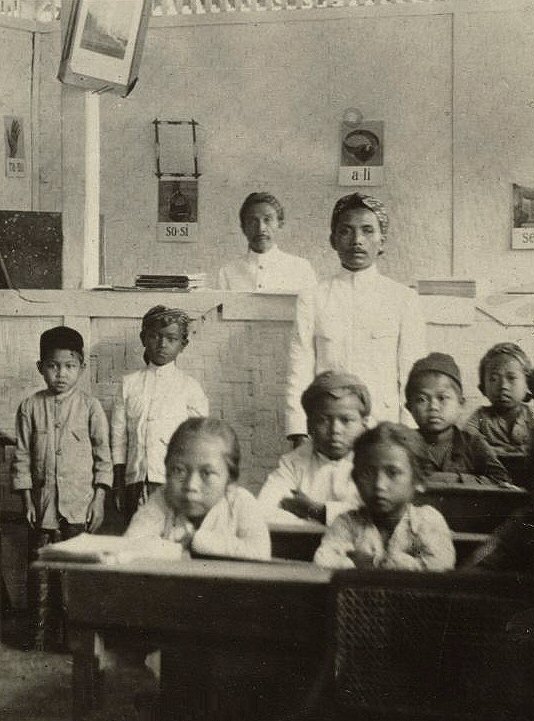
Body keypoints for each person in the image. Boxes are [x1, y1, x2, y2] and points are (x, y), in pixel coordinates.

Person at [285, 192, 426, 446]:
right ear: (333, 240)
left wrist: (408, 433)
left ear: (382, 241)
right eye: (346, 231)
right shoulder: (313, 298)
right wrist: (299, 431)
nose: (357, 240)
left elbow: (412, 375)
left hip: (384, 428)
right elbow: (300, 367)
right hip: (329, 427)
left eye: (367, 231)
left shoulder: (403, 299)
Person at [12, 326, 112, 648]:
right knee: (40, 574)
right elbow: (22, 457)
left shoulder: (90, 407)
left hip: (78, 508)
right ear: (40, 367)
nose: (61, 374)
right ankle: (39, 640)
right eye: (53, 366)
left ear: (82, 367)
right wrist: (27, 500)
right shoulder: (29, 407)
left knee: (74, 577)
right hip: (42, 508)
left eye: (69, 366)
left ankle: (74, 643)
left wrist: (99, 500)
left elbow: (104, 458)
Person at [111, 306, 209, 525]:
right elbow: (119, 439)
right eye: (155, 336)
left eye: (171, 339)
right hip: (135, 481)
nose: (162, 344)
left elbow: (200, 442)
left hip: (174, 482)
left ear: (183, 344)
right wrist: (118, 483)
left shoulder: (190, 388)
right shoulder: (129, 384)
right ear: (143, 338)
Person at [126, 417, 271, 561]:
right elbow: (130, 543)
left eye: (206, 473)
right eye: (179, 470)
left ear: (230, 480)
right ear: (167, 469)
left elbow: (260, 551)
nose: (191, 485)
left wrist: (195, 540)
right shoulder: (162, 500)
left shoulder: (240, 502)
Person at [314, 422, 455, 570]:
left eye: (393, 473)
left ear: (417, 480)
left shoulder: (426, 521)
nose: (379, 485)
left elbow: (441, 564)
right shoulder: (348, 522)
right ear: (355, 479)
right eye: (368, 473)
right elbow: (323, 559)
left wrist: (375, 562)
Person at [258, 371, 369, 525]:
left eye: (346, 420)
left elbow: (376, 514)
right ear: (309, 425)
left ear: (364, 424)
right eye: (323, 420)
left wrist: (316, 511)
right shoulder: (294, 463)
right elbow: (264, 510)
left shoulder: (373, 462)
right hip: (306, 539)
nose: (335, 430)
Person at [405, 352, 512, 486]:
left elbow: (502, 481)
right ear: (409, 407)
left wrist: (451, 479)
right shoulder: (404, 445)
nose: (433, 407)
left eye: (442, 398)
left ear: (461, 404)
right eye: (422, 399)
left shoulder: (473, 444)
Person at [218, 192, 317, 292]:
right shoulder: (227, 272)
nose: (261, 228)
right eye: (253, 221)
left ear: (280, 224)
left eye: (267, 220)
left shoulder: (301, 268)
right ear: (243, 228)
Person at [465, 343, 534, 486]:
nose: (503, 386)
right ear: (483, 388)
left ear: (527, 384)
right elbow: (468, 438)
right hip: (492, 478)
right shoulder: (480, 416)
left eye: (511, 378)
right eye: (494, 379)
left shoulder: (531, 415)